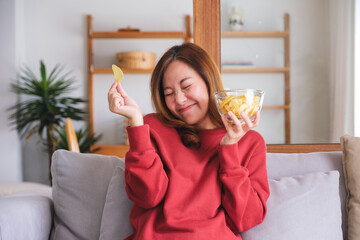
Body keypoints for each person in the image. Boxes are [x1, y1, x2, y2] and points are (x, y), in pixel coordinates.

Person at [108, 43, 269, 240]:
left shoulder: (250, 142)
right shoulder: (151, 127)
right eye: (169, 93)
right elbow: (147, 196)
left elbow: (245, 219)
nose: (180, 99)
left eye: (186, 87)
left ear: (209, 81)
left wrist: (229, 149)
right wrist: (135, 122)